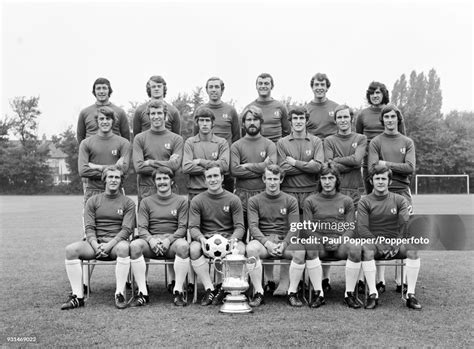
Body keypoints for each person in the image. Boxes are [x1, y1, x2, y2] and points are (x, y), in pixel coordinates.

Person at [61, 165, 135, 310]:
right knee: (71, 250)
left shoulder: (128, 203)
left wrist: (109, 246)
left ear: (121, 181)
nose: (114, 180)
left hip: (116, 244)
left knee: (125, 248)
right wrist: (96, 246)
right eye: (110, 177)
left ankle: (119, 293)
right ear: (104, 180)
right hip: (95, 244)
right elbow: (89, 228)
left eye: (117, 177)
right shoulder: (93, 201)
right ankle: (78, 296)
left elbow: (126, 230)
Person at [275, 106, 324, 294]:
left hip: (311, 193)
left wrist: (294, 162)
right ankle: (285, 282)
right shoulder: (282, 142)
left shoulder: (316, 141)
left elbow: (318, 167)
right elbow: (282, 169)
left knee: (310, 236)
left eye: (301, 118)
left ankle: (313, 282)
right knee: (289, 236)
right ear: (290, 121)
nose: (298, 121)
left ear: (306, 120)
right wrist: (307, 165)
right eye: (294, 118)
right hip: (288, 193)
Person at [358, 165, 422, 310]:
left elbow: (404, 225)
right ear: (371, 181)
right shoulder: (364, 201)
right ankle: (373, 294)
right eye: (377, 178)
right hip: (374, 243)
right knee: (366, 250)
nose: (380, 182)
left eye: (383, 179)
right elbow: (362, 228)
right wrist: (378, 243)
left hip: (395, 243)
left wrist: (396, 243)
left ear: (390, 181)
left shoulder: (400, 200)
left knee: (413, 250)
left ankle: (410, 294)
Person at [368, 103, 415, 293]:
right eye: (386, 117)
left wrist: (386, 164)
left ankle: (400, 279)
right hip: (379, 195)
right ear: (382, 120)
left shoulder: (407, 142)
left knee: (403, 233)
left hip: (402, 191)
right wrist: (397, 167)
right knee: (380, 232)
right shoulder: (375, 142)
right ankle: (380, 280)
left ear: (398, 119)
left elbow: (410, 168)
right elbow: (372, 168)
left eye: (393, 117)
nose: (389, 120)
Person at [128, 167, 190, 307]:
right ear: (154, 182)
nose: (162, 182)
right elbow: (142, 228)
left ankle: (178, 291)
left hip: (172, 242)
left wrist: (168, 240)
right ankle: (142, 293)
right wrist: (151, 240)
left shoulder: (181, 201)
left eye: (165, 178)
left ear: (171, 181)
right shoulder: (146, 201)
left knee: (184, 246)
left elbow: (182, 228)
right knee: (134, 246)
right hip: (151, 242)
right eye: (158, 179)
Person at [302, 164, 361, 308]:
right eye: (323, 178)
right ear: (319, 181)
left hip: (340, 244)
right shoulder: (310, 201)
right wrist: (324, 239)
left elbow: (350, 227)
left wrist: (340, 240)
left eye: (330, 178)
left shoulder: (346, 200)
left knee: (355, 248)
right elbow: (308, 228)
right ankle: (318, 293)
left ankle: (349, 294)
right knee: (310, 246)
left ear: (337, 180)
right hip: (320, 243)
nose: (327, 182)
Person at [246, 165, 305, 307]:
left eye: (275, 179)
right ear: (264, 179)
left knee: (300, 250)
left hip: (284, 242)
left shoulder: (290, 200)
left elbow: (294, 227)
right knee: (251, 249)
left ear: (281, 180)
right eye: (269, 179)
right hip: (264, 243)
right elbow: (253, 227)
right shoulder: (254, 200)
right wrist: (267, 243)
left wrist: (284, 244)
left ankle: (292, 292)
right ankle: (259, 292)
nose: (272, 182)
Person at [188, 164, 245, 306]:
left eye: (215, 176)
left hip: (228, 239)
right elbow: (193, 227)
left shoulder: (233, 199)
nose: (213, 180)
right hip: (206, 239)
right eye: (209, 177)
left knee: (242, 250)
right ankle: (210, 289)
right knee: (194, 249)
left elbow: (240, 227)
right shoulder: (197, 200)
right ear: (205, 180)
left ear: (222, 178)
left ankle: (228, 287)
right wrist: (201, 239)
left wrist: (232, 240)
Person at [230, 105, 277, 232]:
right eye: (248, 119)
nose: (252, 122)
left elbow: (272, 170)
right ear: (243, 123)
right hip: (241, 196)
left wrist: (248, 166)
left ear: (261, 122)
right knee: (241, 233)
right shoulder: (236, 146)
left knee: (264, 235)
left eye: (255, 119)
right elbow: (235, 170)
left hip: (264, 194)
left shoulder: (269, 145)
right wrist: (262, 167)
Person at [356, 81, 406, 194]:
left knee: (394, 199)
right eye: (372, 93)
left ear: (384, 94)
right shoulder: (362, 115)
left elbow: (403, 138)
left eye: (378, 92)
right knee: (372, 200)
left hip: (391, 162)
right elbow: (358, 140)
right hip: (369, 165)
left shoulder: (394, 112)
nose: (375, 96)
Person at [193, 77, 240, 193]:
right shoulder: (200, 110)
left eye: (217, 87)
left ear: (222, 90)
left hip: (225, 166)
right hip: (204, 165)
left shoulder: (230, 110)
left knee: (226, 201)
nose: (214, 90)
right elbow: (195, 137)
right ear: (207, 90)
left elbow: (236, 137)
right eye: (211, 87)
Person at [133, 100, 184, 206]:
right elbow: (138, 167)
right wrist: (167, 164)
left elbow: (175, 166)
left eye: (159, 113)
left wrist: (150, 162)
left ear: (165, 115)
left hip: (169, 189)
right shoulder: (139, 138)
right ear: (149, 116)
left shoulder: (176, 139)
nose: (156, 116)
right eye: (153, 113)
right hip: (147, 190)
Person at [78, 106, 131, 205]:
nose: (105, 122)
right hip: (93, 191)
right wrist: (114, 170)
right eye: (101, 119)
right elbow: (82, 170)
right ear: (97, 121)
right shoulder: (86, 143)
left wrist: (98, 167)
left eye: (108, 118)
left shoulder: (124, 143)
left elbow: (124, 170)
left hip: (116, 192)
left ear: (113, 121)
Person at [324, 105, 367, 210]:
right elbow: (330, 167)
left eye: (345, 117)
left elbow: (357, 160)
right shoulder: (329, 140)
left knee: (353, 225)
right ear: (335, 121)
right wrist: (353, 165)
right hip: (334, 191)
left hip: (355, 191)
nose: (343, 120)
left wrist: (336, 159)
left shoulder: (361, 138)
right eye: (339, 117)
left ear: (351, 119)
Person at [183, 107, 229, 200]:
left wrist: (200, 161)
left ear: (213, 123)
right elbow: (186, 167)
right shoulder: (190, 142)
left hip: (216, 192)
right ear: (197, 122)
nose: (204, 124)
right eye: (201, 120)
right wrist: (214, 167)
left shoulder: (222, 142)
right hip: (195, 192)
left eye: (207, 120)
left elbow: (224, 166)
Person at [77, 77, 130, 144]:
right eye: (98, 88)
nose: (101, 91)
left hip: (114, 152)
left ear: (109, 90)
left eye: (104, 88)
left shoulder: (120, 112)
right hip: (91, 152)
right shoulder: (84, 113)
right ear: (94, 91)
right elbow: (80, 138)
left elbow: (126, 139)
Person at [243, 73, 290, 143]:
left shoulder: (281, 107)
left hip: (276, 149)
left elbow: (287, 132)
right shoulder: (249, 108)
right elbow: (244, 133)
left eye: (266, 83)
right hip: (255, 148)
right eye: (260, 83)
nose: (263, 86)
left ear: (272, 86)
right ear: (256, 86)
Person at [305, 73, 339, 139]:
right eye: (316, 85)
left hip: (332, 147)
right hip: (313, 147)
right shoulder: (305, 110)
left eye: (322, 85)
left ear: (327, 88)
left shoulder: (336, 108)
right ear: (312, 87)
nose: (319, 88)